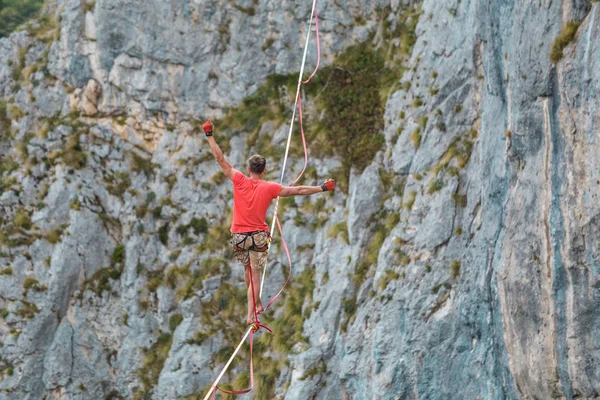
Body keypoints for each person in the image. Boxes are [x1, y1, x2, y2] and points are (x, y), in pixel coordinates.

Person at [202, 120, 335, 325]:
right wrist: (323, 188)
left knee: (247, 271)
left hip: (238, 236)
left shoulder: (239, 179)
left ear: (248, 169)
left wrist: (209, 135)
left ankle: (256, 304)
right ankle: (250, 314)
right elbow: (298, 191)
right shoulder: (271, 188)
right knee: (255, 275)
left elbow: (220, 159)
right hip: (257, 237)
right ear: (263, 171)